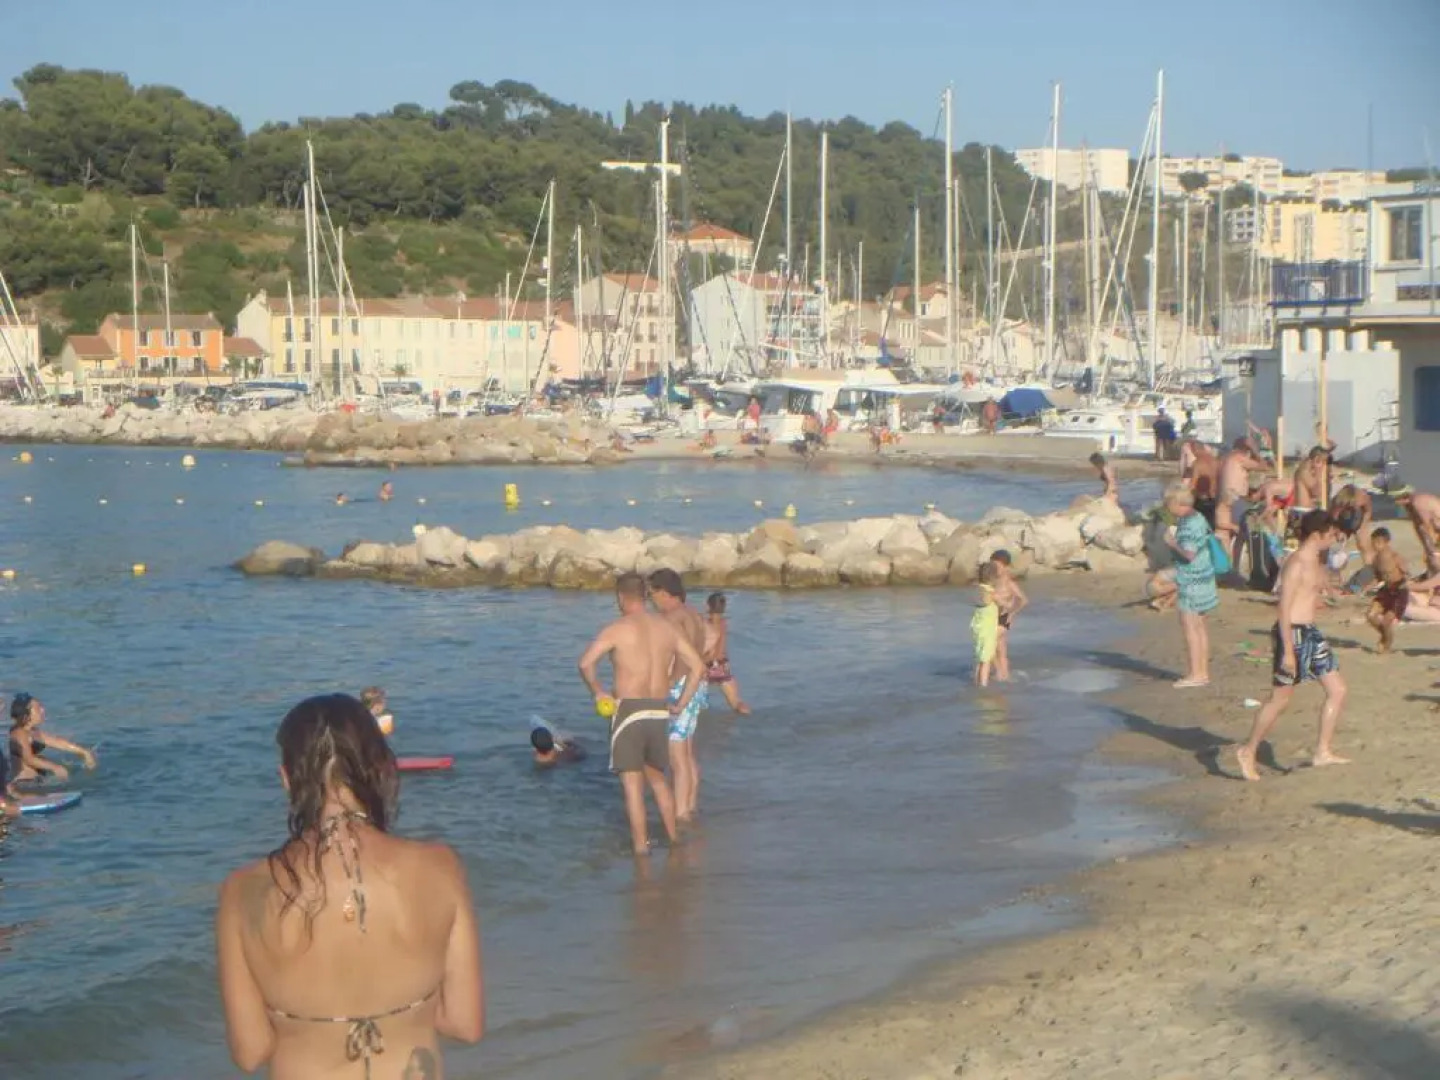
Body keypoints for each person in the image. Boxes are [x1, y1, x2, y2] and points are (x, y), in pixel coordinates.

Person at [215, 694, 484, 1078]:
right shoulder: (440, 867)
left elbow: (250, 1051)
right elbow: (465, 1024)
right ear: (379, 768)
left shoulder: (241, 893)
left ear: (286, 779)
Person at [578, 573, 704, 854]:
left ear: (621, 598)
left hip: (628, 711)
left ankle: (641, 851)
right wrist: (681, 703)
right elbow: (698, 667)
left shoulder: (616, 629)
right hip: (658, 709)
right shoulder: (667, 627)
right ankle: (673, 839)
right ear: (645, 596)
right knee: (658, 780)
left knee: (633, 787)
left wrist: (598, 691)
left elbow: (585, 664)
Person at [1235, 510, 1349, 781]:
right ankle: (1248, 750)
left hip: (1310, 633)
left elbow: (1316, 590)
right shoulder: (1296, 563)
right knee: (1280, 700)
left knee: (1338, 689)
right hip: (1292, 634)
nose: (1333, 539)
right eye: (1330, 534)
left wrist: (1329, 592)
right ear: (1316, 534)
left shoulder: (1316, 560)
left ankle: (1322, 751)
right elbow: (1283, 609)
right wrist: (1287, 650)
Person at [647, 568, 709, 825]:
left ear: (663, 593)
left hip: (683, 687)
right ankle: (690, 804)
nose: (651, 600)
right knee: (687, 750)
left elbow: (683, 658)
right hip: (698, 686)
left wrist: (671, 682)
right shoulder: (693, 614)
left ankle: (681, 812)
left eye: (652, 594)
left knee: (677, 756)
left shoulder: (672, 618)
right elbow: (704, 646)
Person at [1163, 483, 1218, 688]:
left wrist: (1171, 543)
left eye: (1168, 503)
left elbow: (1189, 553)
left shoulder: (1187, 523)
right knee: (1201, 627)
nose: (1167, 507)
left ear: (1177, 503)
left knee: (1190, 628)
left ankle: (1196, 673)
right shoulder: (1199, 517)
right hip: (1205, 576)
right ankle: (1202, 672)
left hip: (1192, 580)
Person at [7, 693, 97, 784]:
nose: (43, 710)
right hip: (23, 783)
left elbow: (57, 742)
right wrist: (55, 767)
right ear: (26, 713)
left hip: (37, 781)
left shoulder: (33, 732)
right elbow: (29, 759)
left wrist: (83, 752)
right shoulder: (18, 733)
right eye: (38, 708)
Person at [1216, 437, 1269, 571]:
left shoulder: (1227, 458)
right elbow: (1264, 466)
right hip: (1235, 498)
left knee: (1233, 535)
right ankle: (1235, 567)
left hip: (1227, 497)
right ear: (1246, 450)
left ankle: (1231, 567)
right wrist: (1255, 450)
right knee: (1241, 533)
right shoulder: (1239, 457)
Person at [703, 593, 751, 715]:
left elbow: (710, 646)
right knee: (736, 702)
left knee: (690, 699)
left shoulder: (706, 624)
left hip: (707, 664)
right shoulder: (724, 623)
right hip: (723, 665)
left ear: (708, 606)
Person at [1365, 527, 1408, 653]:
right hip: (1385, 590)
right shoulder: (1376, 559)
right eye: (1373, 543)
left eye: (1377, 543)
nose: (1374, 546)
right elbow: (1377, 577)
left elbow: (1406, 572)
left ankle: (1386, 646)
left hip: (1399, 591)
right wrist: (1368, 587)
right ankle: (1385, 636)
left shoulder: (1395, 556)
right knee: (1370, 615)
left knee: (1386, 621)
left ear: (1385, 542)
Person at [989, 550, 1028, 682]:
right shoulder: (992, 581)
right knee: (1000, 649)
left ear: (1005, 567)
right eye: (992, 566)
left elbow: (1023, 600)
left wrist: (1012, 614)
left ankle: (1000, 671)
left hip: (1004, 619)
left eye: (997, 566)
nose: (994, 569)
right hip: (991, 618)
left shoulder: (1009, 583)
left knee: (989, 645)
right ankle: (1005, 676)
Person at [1394, 487, 1440, 574]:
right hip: (1435, 529)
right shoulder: (1410, 505)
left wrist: (1434, 550)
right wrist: (1426, 549)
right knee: (1431, 559)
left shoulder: (1417, 502)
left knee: (1435, 560)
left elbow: (1427, 527)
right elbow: (1417, 527)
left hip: (1436, 529)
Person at [971, 562, 1002, 687]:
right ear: (993, 578)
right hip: (987, 630)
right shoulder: (990, 593)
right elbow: (1003, 603)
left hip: (977, 628)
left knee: (980, 658)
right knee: (986, 661)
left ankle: (976, 681)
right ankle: (983, 686)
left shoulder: (978, 590)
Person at [1330, 483, 1375, 563]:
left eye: (1353, 504)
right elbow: (1333, 519)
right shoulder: (1339, 502)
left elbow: (1368, 511)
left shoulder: (1362, 497)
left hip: (1359, 517)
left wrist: (1362, 526)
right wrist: (1338, 531)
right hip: (1342, 519)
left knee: (1364, 545)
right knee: (1335, 543)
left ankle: (1370, 566)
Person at [1186, 441, 1221, 528]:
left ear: (1195, 450)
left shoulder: (1197, 463)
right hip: (1215, 498)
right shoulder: (1216, 461)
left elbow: (1193, 484)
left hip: (1202, 499)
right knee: (1212, 525)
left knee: (1199, 525)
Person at [1292, 444, 1334, 510]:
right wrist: (1320, 474)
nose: (1324, 466)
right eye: (1323, 462)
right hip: (1303, 512)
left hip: (1309, 511)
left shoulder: (1310, 469)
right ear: (1316, 459)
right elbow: (1317, 492)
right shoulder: (1304, 471)